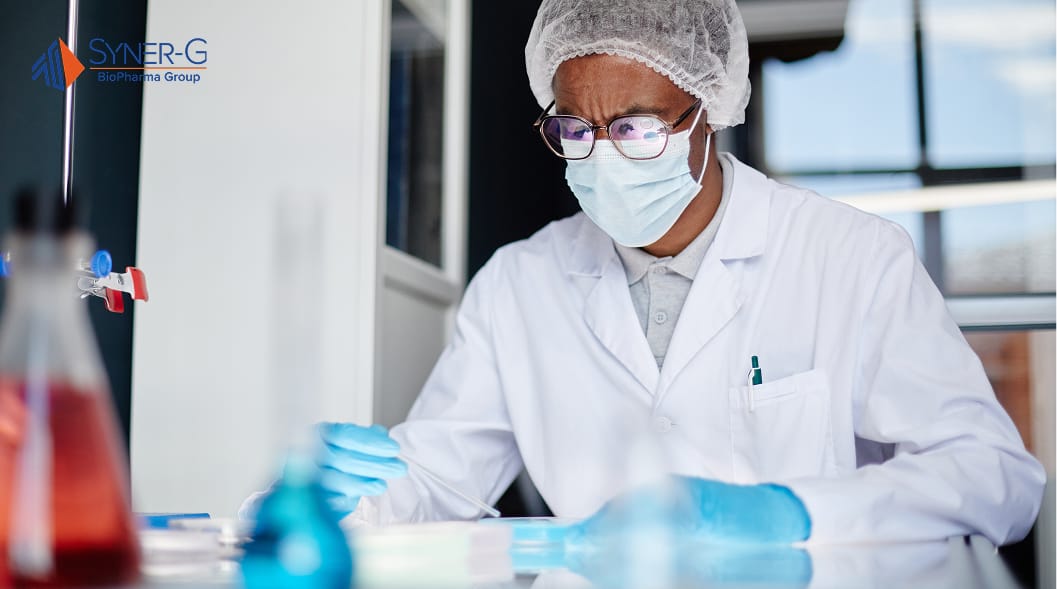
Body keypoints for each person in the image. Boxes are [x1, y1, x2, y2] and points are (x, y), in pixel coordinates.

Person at [247, 0, 1045, 546]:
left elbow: (995, 477)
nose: (601, 156)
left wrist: (786, 512)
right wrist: (323, 504)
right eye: (574, 128)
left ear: (707, 110)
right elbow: (433, 476)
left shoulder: (852, 258)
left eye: (634, 126)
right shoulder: (517, 285)